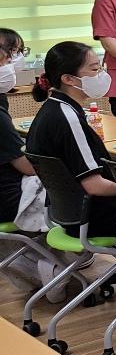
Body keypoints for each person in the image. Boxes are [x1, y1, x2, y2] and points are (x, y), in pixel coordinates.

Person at [24, 42, 116, 303]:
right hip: (93, 215)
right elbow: (95, 185)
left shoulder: (52, 110)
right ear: (68, 79)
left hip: (66, 212)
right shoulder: (66, 116)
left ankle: (61, 265)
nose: (101, 75)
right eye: (94, 69)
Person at [0, 28, 40, 291]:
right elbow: (25, 166)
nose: (12, 63)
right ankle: (55, 265)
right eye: (7, 58)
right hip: (8, 197)